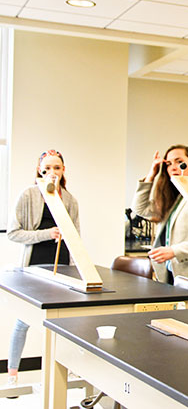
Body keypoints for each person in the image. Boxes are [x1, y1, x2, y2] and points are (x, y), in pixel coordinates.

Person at [6, 149, 79, 389]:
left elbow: (76, 237)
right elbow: (14, 233)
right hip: (33, 266)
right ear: (39, 170)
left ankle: (66, 372)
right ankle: (13, 375)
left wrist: (66, 238)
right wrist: (47, 234)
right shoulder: (27, 195)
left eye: (56, 167)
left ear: (63, 170)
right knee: (23, 321)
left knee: (64, 322)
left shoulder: (69, 200)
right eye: (47, 168)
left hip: (62, 267)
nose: (52, 173)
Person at [132, 144, 188, 307]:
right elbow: (140, 209)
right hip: (175, 279)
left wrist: (174, 251)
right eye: (168, 164)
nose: (173, 167)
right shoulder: (175, 196)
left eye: (179, 161)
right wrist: (151, 175)